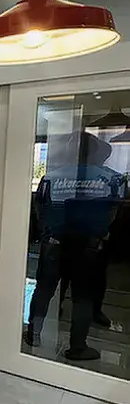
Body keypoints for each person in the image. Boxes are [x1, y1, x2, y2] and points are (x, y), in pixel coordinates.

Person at [25, 132, 123, 360]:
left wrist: (47, 230)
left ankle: (33, 334)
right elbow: (113, 214)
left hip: (54, 243)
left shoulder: (50, 177)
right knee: (83, 297)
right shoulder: (113, 179)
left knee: (44, 290)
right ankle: (77, 347)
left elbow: (40, 208)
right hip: (89, 247)